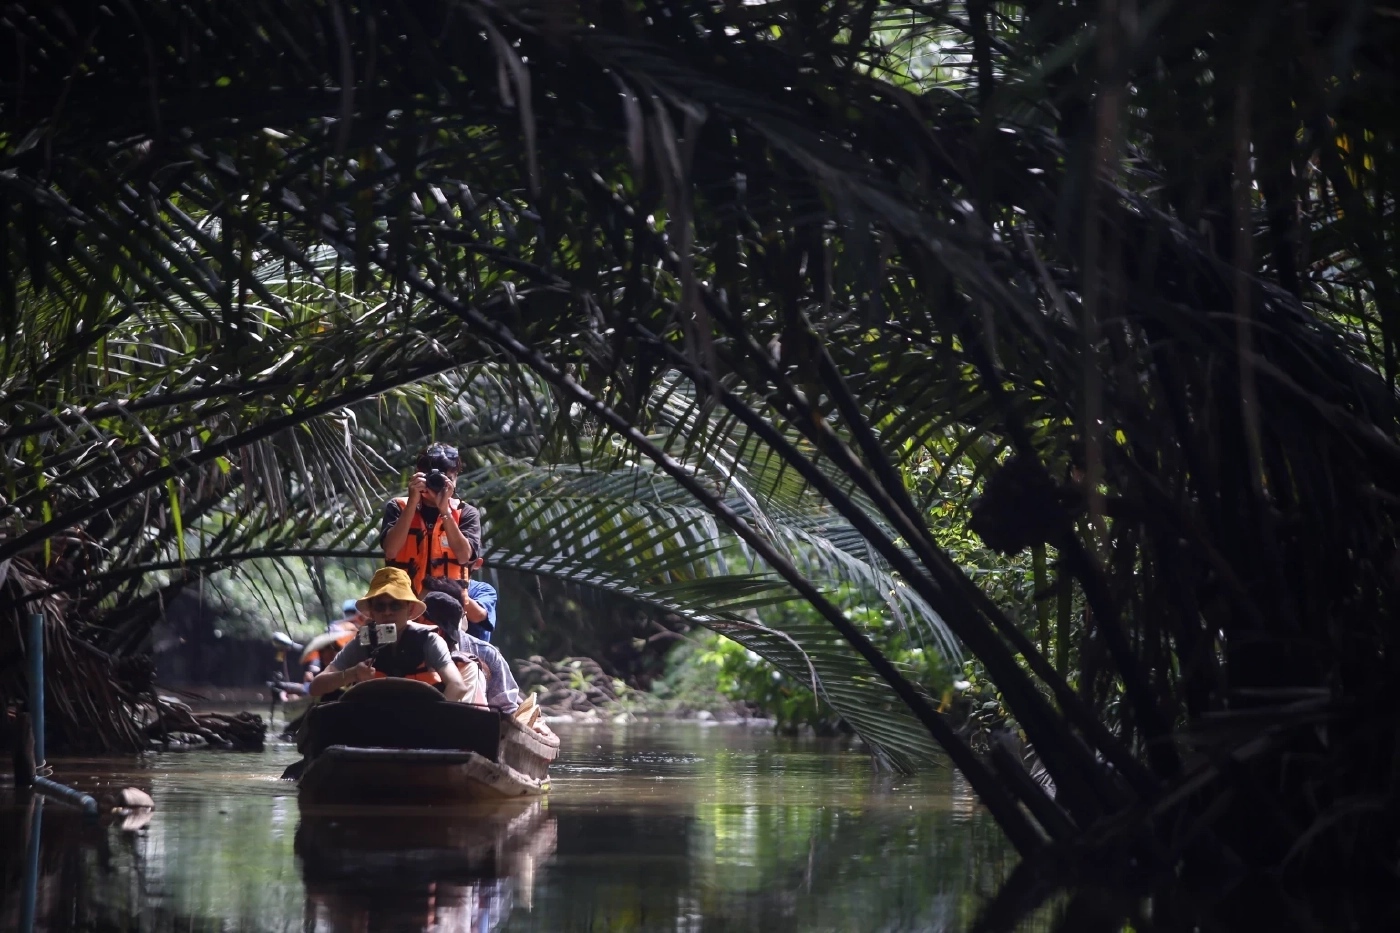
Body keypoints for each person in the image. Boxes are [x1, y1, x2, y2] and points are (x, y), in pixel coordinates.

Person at [308, 568, 477, 702]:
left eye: (395, 606)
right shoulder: (364, 642)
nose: (387, 612)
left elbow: (457, 686)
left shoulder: (429, 641)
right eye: (380, 606)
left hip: (422, 721)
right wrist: (353, 674)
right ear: (372, 612)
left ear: (410, 610)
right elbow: (316, 687)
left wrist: (432, 723)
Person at [381, 443, 482, 594]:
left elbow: (463, 557)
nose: (438, 484)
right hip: (401, 603)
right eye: (433, 478)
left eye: (448, 479)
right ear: (418, 474)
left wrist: (445, 511)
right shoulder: (398, 506)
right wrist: (412, 503)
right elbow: (391, 551)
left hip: (448, 607)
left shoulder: (466, 512)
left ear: (456, 479)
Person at [420, 577, 521, 714]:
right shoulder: (400, 643)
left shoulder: (484, 655)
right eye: (422, 609)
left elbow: (506, 709)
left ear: (460, 615)